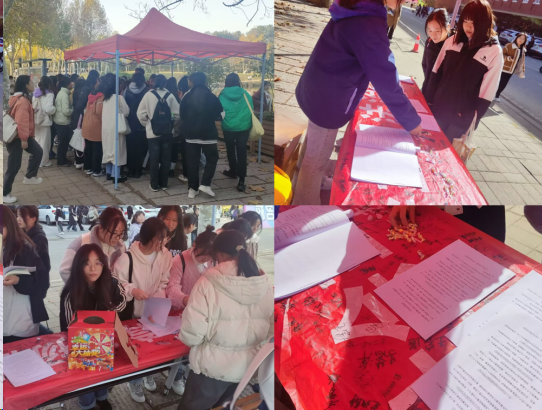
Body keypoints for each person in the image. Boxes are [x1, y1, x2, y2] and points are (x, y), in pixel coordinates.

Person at [294, 0, 422, 205]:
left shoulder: (359, 6)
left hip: (319, 87)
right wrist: (411, 121)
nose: (405, 1)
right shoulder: (367, 20)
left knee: (312, 148)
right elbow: (385, 77)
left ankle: (303, 184)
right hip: (329, 100)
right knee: (316, 160)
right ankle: (305, 205)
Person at [177, 229, 273, 410]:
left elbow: (192, 333)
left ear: (218, 253)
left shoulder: (208, 281)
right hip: (246, 368)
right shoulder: (264, 282)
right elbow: (270, 329)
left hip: (211, 368)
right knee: (222, 406)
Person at [424, 0, 503, 142]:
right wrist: (429, 102)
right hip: (439, 108)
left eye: (474, 22)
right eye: (465, 21)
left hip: (461, 119)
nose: (468, 26)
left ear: (485, 22)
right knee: (428, 145)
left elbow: (487, 92)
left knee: (447, 152)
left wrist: (471, 119)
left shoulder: (494, 51)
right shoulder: (452, 41)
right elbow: (436, 73)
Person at [60, 244, 127, 410]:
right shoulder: (71, 292)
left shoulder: (111, 281)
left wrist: (109, 313)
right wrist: (86, 338)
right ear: (79, 265)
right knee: (85, 373)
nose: (93, 268)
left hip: (104, 339)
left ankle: (102, 398)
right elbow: (68, 326)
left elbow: (123, 300)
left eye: (98, 263)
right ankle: (87, 404)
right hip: (81, 342)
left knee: (103, 368)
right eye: (87, 263)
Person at [114, 218, 172, 404]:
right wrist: (132, 290)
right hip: (132, 313)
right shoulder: (127, 258)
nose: (163, 243)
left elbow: (164, 281)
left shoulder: (165, 255)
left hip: (153, 312)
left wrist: (158, 301)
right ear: (149, 238)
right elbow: (116, 284)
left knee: (153, 349)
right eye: (160, 239)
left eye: (165, 239)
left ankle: (149, 374)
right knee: (135, 349)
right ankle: (135, 381)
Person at [165, 225, 217, 396]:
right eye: (202, 255)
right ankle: (177, 376)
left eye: (209, 257)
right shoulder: (179, 260)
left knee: (196, 345)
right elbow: (172, 288)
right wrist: (188, 300)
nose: (205, 260)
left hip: (202, 313)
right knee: (181, 345)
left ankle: (188, 372)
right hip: (179, 312)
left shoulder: (214, 262)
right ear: (194, 245)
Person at [3, 206, 50, 343]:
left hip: (20, 322)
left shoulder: (25, 247)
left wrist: (18, 280)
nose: (19, 219)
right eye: (17, 215)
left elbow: (41, 281)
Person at [180, 72, 224, 199]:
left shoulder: (186, 96)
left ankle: (192, 189)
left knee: (192, 162)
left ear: (192, 82)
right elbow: (221, 114)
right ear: (204, 81)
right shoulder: (212, 96)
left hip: (191, 134)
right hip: (208, 134)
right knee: (212, 158)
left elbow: (181, 114)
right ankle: (205, 183)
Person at [4, 75, 45, 204]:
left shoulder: (22, 98)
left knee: (38, 151)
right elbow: (21, 121)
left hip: (21, 135)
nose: (33, 84)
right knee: (14, 166)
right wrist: (24, 139)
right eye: (31, 82)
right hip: (18, 137)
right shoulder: (22, 100)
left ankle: (30, 176)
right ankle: (4, 193)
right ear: (26, 85)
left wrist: (32, 111)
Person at [59, 207, 127, 283]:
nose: (118, 238)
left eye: (121, 233)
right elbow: (64, 271)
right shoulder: (81, 243)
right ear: (101, 228)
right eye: (114, 233)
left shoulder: (121, 246)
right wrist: (85, 288)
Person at [137, 74, 180, 192]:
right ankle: (164, 184)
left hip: (152, 133)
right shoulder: (170, 96)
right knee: (166, 158)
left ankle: (154, 185)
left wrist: (148, 124)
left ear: (153, 82)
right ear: (165, 83)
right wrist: (171, 124)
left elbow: (140, 114)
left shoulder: (148, 95)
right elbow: (177, 114)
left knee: (154, 158)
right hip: (167, 132)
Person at [219, 73, 254, 192]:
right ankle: (242, 181)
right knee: (242, 151)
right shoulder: (245, 93)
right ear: (238, 81)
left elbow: (219, 109)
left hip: (228, 126)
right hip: (243, 127)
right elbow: (251, 108)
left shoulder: (222, 94)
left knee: (230, 149)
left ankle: (233, 171)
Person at [100, 74, 130, 183]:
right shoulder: (119, 98)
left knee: (108, 149)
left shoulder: (105, 99)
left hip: (106, 128)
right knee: (117, 150)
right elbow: (126, 112)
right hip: (116, 128)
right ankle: (115, 175)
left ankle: (108, 173)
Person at [124, 72, 150, 178]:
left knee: (130, 146)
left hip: (130, 121)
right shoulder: (147, 91)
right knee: (140, 147)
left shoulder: (127, 90)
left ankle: (130, 169)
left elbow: (124, 106)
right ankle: (138, 170)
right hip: (141, 122)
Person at [421, 9, 450, 95]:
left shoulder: (453, 47)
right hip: (426, 89)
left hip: (442, 96)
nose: (433, 35)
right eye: (430, 30)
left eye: (437, 31)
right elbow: (424, 64)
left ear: (447, 28)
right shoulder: (429, 42)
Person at [81, 76, 105, 177]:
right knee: (97, 149)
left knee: (88, 148)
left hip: (86, 124)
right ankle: (96, 170)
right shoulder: (101, 98)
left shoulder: (91, 96)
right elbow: (100, 113)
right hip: (96, 127)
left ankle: (89, 168)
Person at [495, 32, 527, 102]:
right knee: (498, 82)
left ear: (525, 41)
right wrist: (508, 58)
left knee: (504, 84)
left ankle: (497, 95)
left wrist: (522, 69)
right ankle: (492, 94)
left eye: (523, 39)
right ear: (516, 38)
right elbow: (501, 55)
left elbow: (521, 61)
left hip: (511, 70)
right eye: (520, 38)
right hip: (504, 68)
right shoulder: (509, 45)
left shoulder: (523, 50)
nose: (521, 40)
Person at [33, 76, 56, 168]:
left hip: (36, 119)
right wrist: (55, 109)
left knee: (37, 140)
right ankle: (43, 162)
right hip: (45, 121)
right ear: (49, 83)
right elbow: (49, 109)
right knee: (45, 142)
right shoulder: (49, 94)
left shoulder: (35, 93)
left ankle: (36, 160)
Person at [53, 76, 75, 167]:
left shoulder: (61, 93)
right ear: (68, 84)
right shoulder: (65, 95)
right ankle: (61, 161)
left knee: (62, 142)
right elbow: (66, 111)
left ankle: (62, 159)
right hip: (63, 122)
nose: (72, 84)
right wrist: (73, 110)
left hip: (59, 120)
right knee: (63, 143)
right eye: (71, 82)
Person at [166, 77, 182, 177]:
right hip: (175, 130)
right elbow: (179, 116)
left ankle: (163, 168)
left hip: (164, 130)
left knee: (164, 149)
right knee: (174, 149)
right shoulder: (178, 99)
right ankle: (171, 169)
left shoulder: (165, 98)